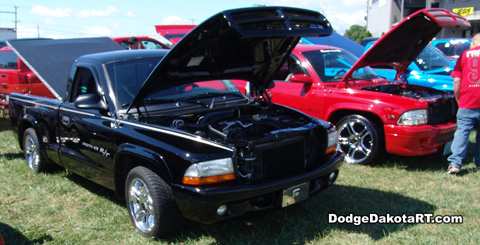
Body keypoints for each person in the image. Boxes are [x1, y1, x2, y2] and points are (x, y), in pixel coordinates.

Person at [447, 33, 480, 174]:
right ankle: (479, 163)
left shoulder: (465, 55)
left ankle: (455, 163)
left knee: (462, 133)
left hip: (467, 100)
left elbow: (456, 80)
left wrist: (458, 97)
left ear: (473, 42)